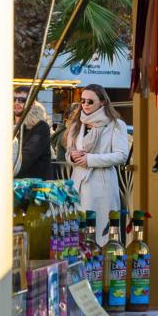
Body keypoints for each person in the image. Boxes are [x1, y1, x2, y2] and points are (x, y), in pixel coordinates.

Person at [64, 84, 130, 236]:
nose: (85, 104)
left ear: (102, 102)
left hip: (102, 185)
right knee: (78, 232)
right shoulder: (76, 124)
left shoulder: (115, 124)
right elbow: (69, 153)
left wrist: (90, 159)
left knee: (101, 232)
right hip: (78, 185)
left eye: (90, 101)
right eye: (83, 101)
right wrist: (72, 157)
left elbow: (121, 155)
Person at [14, 86, 56, 180]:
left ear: (32, 104)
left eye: (21, 100)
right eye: (14, 99)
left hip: (36, 189)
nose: (16, 103)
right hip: (17, 185)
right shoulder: (10, 125)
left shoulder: (40, 127)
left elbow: (26, 158)